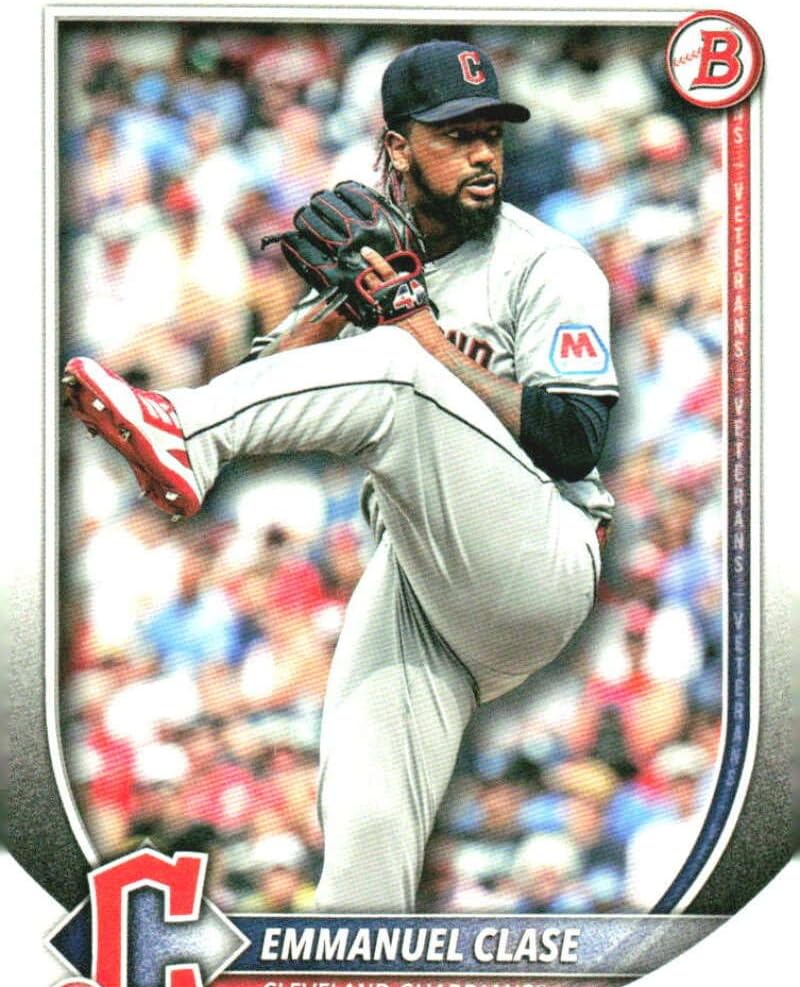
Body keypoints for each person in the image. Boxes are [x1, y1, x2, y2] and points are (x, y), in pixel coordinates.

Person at [63, 40, 618, 918]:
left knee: (401, 370)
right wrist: (327, 314)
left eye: (491, 135)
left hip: (540, 555)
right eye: (456, 136)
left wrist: (418, 335)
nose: (483, 155)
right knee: (366, 830)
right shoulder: (375, 258)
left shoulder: (545, 263)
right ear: (396, 145)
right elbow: (269, 384)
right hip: (423, 583)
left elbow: (575, 439)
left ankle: (186, 434)